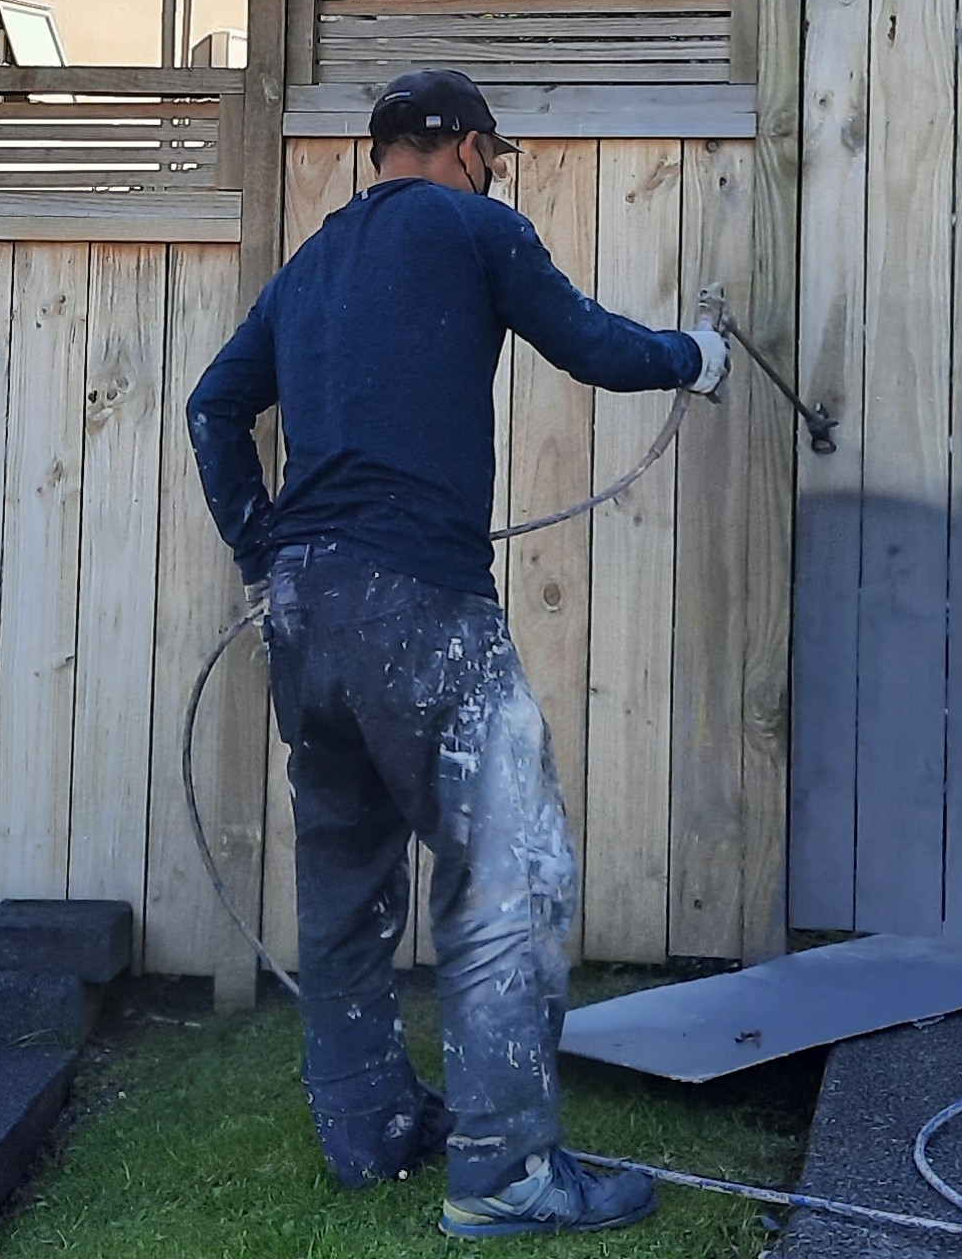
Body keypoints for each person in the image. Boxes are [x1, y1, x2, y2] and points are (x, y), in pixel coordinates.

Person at [185, 68, 726, 1240]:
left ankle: (367, 1130)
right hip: (418, 608)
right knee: (511, 870)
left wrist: (259, 552)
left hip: (303, 619)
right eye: (495, 154)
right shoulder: (477, 225)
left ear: (380, 150)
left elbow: (209, 410)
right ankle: (504, 1176)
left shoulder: (309, 264)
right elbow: (591, 346)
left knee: (344, 886)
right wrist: (696, 353)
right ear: (469, 147)